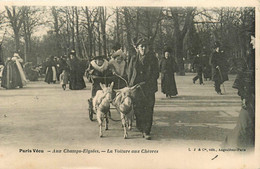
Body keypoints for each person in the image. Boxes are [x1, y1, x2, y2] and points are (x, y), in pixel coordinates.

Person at [224, 24, 255, 149]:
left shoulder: (252, 58)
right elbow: (245, 78)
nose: (251, 41)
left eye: (254, 38)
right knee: (245, 125)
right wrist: (244, 95)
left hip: (252, 97)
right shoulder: (251, 57)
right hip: (251, 97)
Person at [127, 38, 159, 140]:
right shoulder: (133, 58)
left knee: (149, 109)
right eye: (141, 46)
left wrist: (147, 82)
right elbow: (130, 72)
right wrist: (131, 85)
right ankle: (141, 127)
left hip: (148, 88)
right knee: (138, 109)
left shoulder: (153, 59)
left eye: (145, 46)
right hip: (136, 88)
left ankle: (146, 131)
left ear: (148, 48)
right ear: (137, 48)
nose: (144, 48)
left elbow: (156, 73)